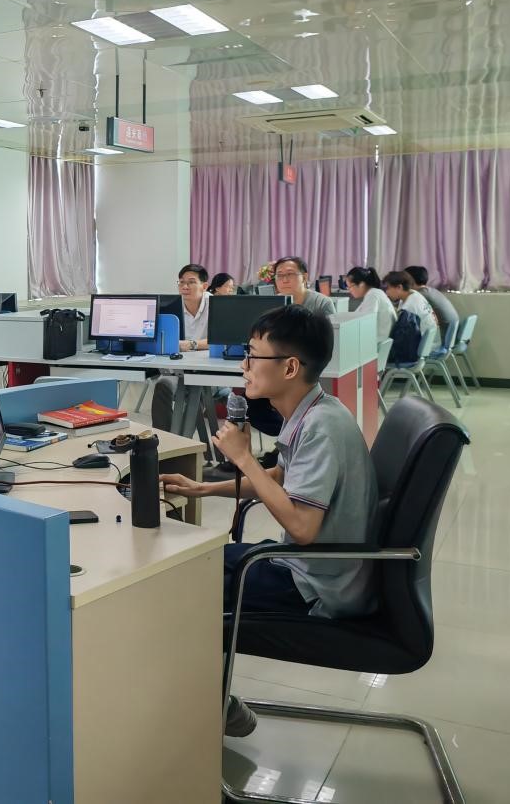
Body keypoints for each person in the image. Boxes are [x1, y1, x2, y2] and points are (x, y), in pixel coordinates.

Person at [159, 306, 378, 736]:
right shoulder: (315, 411)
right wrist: (204, 488)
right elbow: (280, 478)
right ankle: (212, 700)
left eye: (253, 356)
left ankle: (208, 709)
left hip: (315, 585)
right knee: (192, 563)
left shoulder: (321, 428)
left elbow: (302, 528)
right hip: (301, 565)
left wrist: (242, 458)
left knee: (184, 587)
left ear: (290, 367)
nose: (244, 365)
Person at [151, 264, 211, 434]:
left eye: (191, 282)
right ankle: (165, 440)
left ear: (204, 286)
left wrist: (192, 344)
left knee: (196, 391)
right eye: (181, 282)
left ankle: (181, 442)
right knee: (162, 386)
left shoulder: (215, 304)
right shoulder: (172, 306)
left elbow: (221, 339)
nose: (185, 286)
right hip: (176, 368)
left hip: (207, 370)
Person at [383, 270, 437, 347]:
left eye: (388, 288)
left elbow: (400, 335)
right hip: (429, 342)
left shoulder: (408, 308)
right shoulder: (414, 294)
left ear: (399, 287)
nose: (386, 292)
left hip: (422, 346)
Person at [345, 266, 396, 342]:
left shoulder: (373, 295)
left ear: (361, 284)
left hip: (376, 342)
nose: (349, 290)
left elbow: (366, 323)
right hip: (378, 340)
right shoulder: (374, 293)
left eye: (350, 286)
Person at [405, 265, 459, 334]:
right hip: (452, 334)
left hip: (443, 336)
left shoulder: (420, 295)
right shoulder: (431, 291)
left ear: (410, 280)